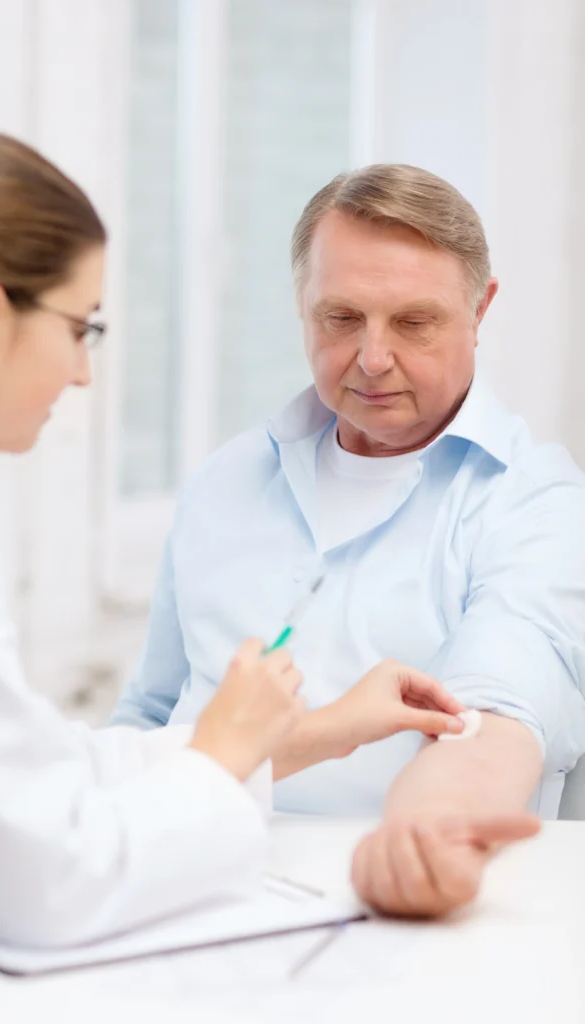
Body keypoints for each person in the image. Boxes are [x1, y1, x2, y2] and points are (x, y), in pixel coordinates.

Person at [0, 134, 474, 1024]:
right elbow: (49, 881)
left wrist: (291, 734)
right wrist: (219, 754)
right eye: (80, 327)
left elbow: (34, 768)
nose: (84, 372)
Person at [112, 163, 583, 918]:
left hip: (402, 900)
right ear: (302, 305)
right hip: (183, 885)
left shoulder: (535, 504)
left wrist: (429, 831)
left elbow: (495, 720)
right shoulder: (223, 481)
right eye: (340, 318)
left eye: (414, 322)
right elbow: (152, 709)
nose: (371, 357)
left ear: (480, 308)